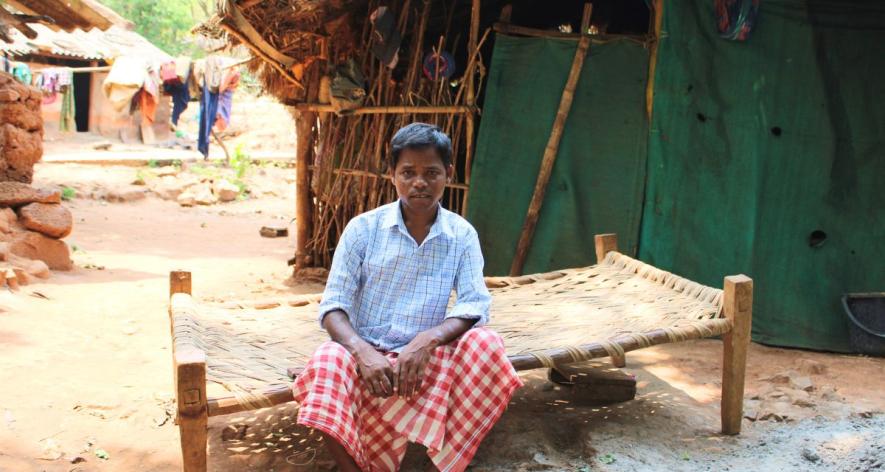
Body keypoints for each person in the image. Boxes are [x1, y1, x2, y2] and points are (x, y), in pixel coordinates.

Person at [292, 123, 522, 471]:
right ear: (392, 175)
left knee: (486, 344)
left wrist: (427, 340)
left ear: (448, 173)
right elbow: (332, 307)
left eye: (431, 172)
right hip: (369, 359)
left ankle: (443, 465)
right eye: (408, 172)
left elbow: (475, 304)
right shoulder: (363, 230)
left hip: (425, 361)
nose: (420, 182)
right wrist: (362, 350)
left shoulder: (461, 234)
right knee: (326, 359)